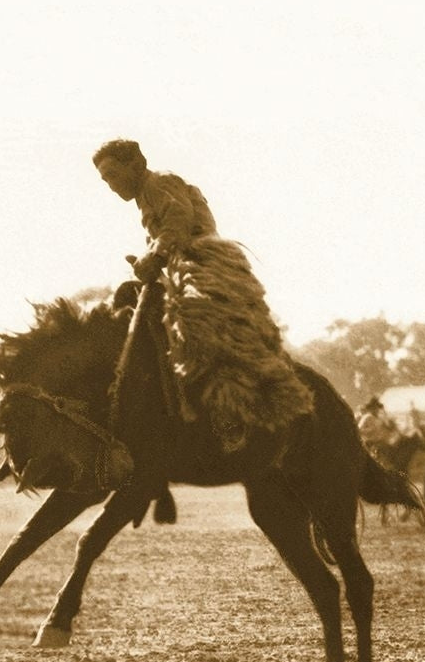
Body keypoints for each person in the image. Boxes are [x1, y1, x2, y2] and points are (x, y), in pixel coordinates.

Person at [92, 138, 312, 453]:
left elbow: (177, 224)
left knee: (194, 326)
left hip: (204, 264)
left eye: (113, 174)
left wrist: (153, 257)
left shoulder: (160, 182)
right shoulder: (143, 197)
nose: (110, 185)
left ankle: (231, 411)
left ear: (136, 165)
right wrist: (148, 260)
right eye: (105, 179)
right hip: (181, 268)